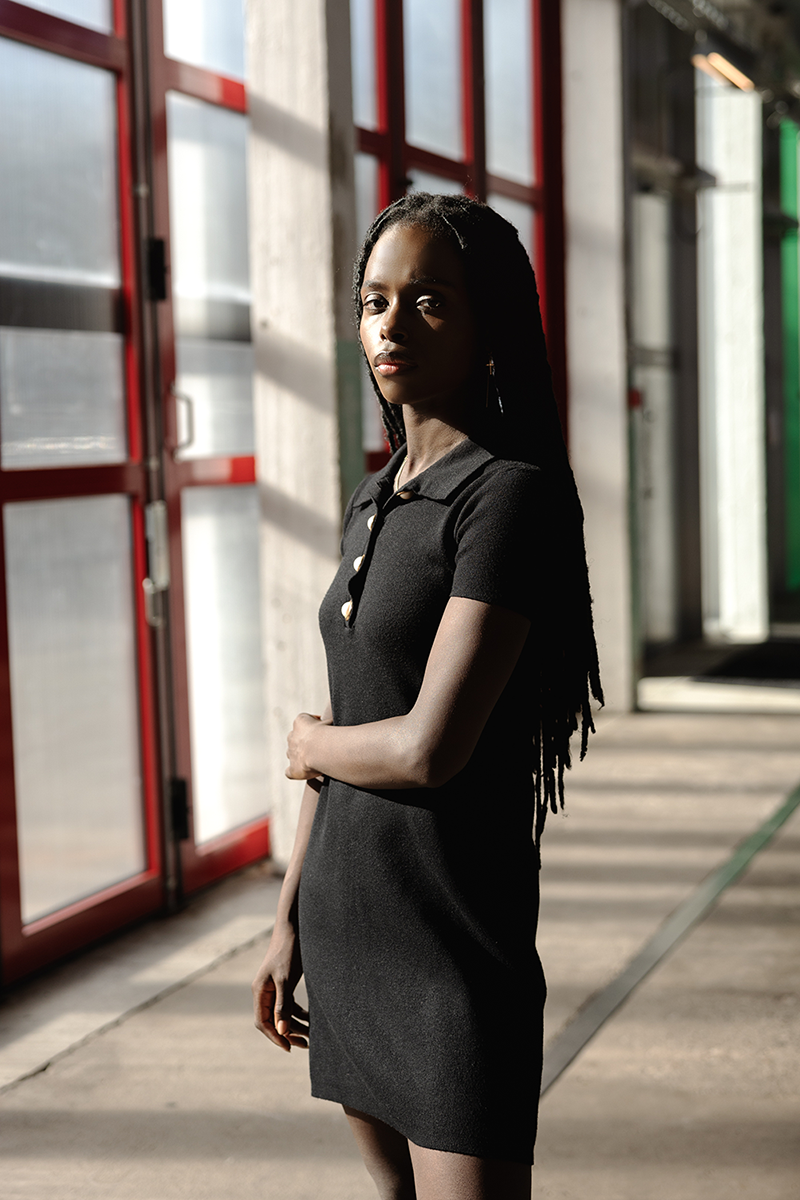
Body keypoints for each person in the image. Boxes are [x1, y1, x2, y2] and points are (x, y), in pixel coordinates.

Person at [252, 193, 602, 1200]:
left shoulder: (508, 497)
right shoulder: (378, 493)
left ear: (487, 323)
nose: (392, 326)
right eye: (374, 300)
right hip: (349, 924)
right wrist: (285, 926)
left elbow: (422, 750)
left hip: (451, 943)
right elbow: (352, 717)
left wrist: (310, 742)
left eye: (429, 302)